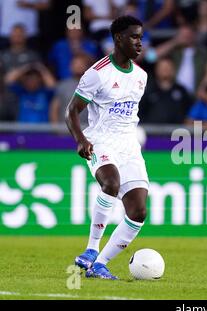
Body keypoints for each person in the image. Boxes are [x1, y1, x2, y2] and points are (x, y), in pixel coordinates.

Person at [66, 15, 149, 280]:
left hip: (129, 146)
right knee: (110, 183)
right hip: (100, 140)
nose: (139, 42)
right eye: (134, 37)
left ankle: (99, 264)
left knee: (138, 211)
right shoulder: (97, 73)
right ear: (118, 38)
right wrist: (81, 139)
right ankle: (91, 249)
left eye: (141, 37)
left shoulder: (141, 76)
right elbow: (72, 111)